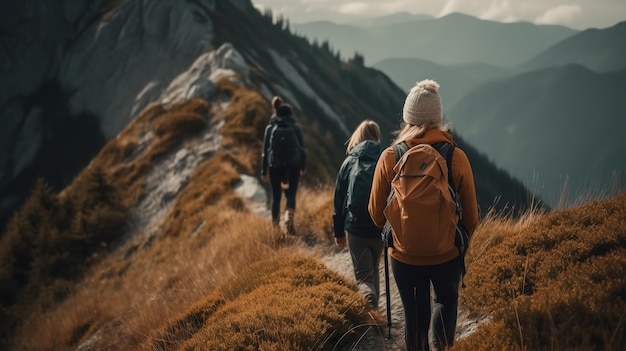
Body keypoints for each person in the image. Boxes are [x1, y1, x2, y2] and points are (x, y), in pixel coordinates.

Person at [368, 80, 479, 350]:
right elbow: (472, 217)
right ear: (438, 119)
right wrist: (455, 234)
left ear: (407, 119)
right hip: (447, 253)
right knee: (445, 301)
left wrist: (398, 228)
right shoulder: (456, 157)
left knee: (415, 318)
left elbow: (375, 213)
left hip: (405, 256)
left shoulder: (390, 157)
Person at [332, 120, 384, 309]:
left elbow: (338, 199)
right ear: (376, 136)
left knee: (363, 274)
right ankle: (375, 311)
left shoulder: (349, 162)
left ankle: (369, 301)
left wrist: (338, 232)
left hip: (355, 229)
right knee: (374, 269)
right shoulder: (385, 158)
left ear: (358, 136)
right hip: (379, 227)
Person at [261, 96, 306, 235]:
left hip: (275, 165)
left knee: (276, 196)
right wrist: (303, 166)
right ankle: (288, 219)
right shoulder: (296, 127)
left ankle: (275, 227)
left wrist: (264, 170)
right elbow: (303, 149)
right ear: (290, 114)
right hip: (293, 164)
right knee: (291, 194)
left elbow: (265, 151)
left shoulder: (270, 128)